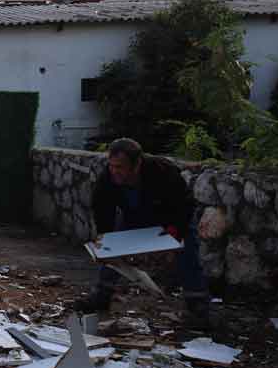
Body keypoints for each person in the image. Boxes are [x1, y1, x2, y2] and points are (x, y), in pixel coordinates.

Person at [76, 137, 210, 325]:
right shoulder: (108, 176)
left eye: (120, 167)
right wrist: (105, 239)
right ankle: (102, 295)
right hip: (134, 215)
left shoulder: (163, 171)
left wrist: (174, 233)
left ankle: (198, 305)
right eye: (112, 166)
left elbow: (184, 205)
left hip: (169, 218)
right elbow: (102, 207)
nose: (115, 171)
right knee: (111, 251)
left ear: (137, 163)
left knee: (187, 252)